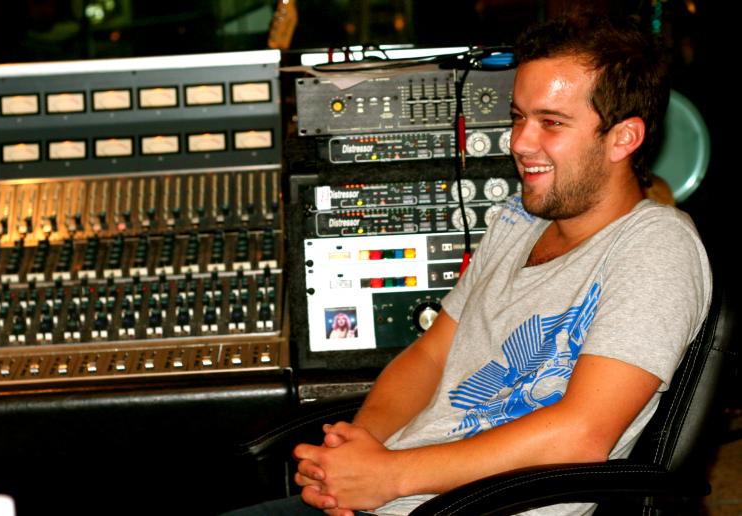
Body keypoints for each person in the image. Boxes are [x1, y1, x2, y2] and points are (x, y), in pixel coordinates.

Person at [225, 12, 711, 516]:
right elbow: (430, 357)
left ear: (624, 138)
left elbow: (582, 434)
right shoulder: (517, 220)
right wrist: (353, 453)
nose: (519, 142)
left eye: (551, 122)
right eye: (518, 117)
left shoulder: (657, 245)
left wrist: (388, 475)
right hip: (390, 494)